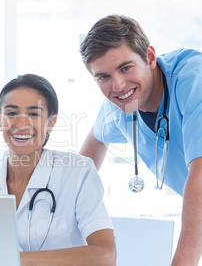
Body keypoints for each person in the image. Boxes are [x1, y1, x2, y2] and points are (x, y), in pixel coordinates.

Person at [79, 14, 202, 265]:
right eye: (103, 76)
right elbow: (93, 145)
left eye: (126, 67)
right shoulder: (118, 105)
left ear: (150, 57)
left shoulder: (194, 81)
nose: (118, 85)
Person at [0, 74, 116, 265]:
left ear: (51, 123)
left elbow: (105, 256)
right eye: (11, 113)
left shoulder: (78, 172)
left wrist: (15, 260)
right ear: (0, 120)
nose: (21, 124)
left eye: (33, 114)